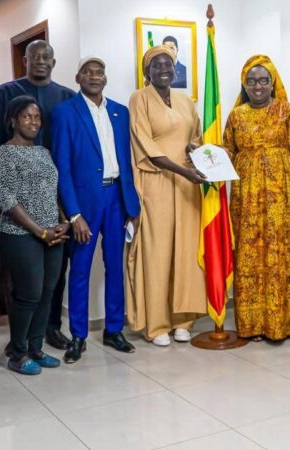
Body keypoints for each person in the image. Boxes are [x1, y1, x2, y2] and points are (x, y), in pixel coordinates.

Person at [0, 40, 76, 351]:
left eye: (46, 56)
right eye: (34, 55)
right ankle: (19, 345)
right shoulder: (4, 94)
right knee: (26, 286)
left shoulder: (67, 97)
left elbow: (71, 151)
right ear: (24, 59)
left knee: (52, 282)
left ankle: (47, 332)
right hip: (20, 216)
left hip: (55, 204)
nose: (40, 60)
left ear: (54, 61)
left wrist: (66, 217)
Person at [52, 57, 140, 361]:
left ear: (105, 78)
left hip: (117, 197)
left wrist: (131, 202)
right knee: (81, 270)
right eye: (88, 72)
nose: (94, 76)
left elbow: (127, 159)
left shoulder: (120, 111)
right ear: (77, 77)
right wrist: (73, 214)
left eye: (99, 72)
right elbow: (61, 167)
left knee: (115, 266)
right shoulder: (65, 113)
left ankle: (114, 329)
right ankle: (78, 335)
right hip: (85, 203)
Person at [224, 55, 290, 343]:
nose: (258, 86)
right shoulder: (236, 115)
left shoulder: (287, 111)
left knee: (281, 256)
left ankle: (281, 325)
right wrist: (202, 154)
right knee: (249, 258)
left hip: (282, 197)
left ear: (273, 83)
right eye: (251, 81)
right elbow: (228, 153)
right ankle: (251, 325)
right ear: (244, 84)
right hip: (246, 199)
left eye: (263, 80)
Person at [126, 45, 207, 346]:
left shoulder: (187, 101)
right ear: (147, 71)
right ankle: (157, 324)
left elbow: (195, 139)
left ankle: (182, 320)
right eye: (156, 65)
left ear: (175, 70)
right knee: (157, 253)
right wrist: (184, 171)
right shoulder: (139, 99)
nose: (163, 69)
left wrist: (198, 155)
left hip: (187, 185)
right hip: (155, 182)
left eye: (168, 64)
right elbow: (145, 145)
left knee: (185, 252)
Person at [0, 96, 68, 375]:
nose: (33, 122)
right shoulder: (4, 153)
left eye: (37, 117)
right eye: (26, 116)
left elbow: (53, 191)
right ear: (13, 120)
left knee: (47, 294)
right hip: (20, 234)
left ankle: (36, 348)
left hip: (53, 233)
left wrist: (63, 222)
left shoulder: (43, 152)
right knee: (29, 294)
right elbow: (7, 199)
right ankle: (17, 352)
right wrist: (40, 231)